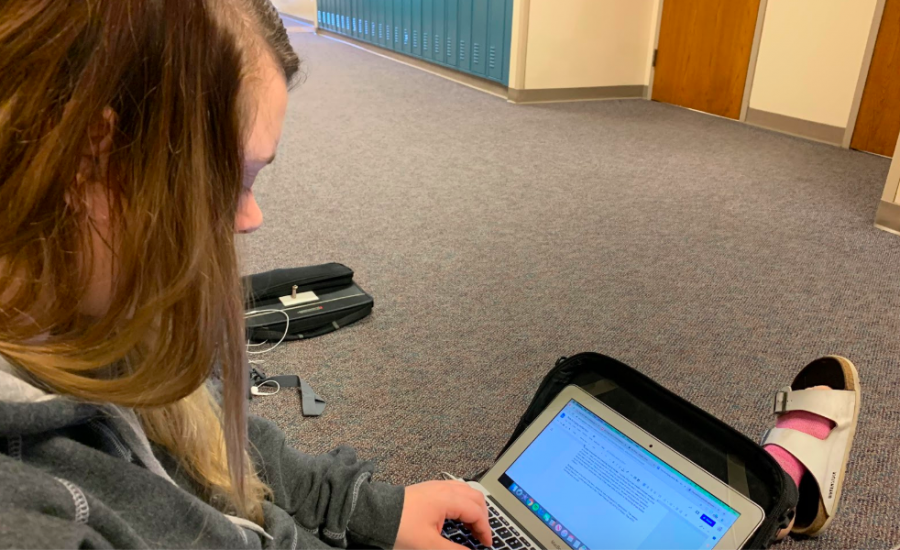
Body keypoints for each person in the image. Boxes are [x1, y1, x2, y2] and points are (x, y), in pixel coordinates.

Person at [0, 0, 859, 548]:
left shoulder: (95, 304)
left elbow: (223, 446)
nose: (250, 218)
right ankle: (785, 483)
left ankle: (773, 490)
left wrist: (371, 507)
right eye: (238, 177)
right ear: (94, 162)